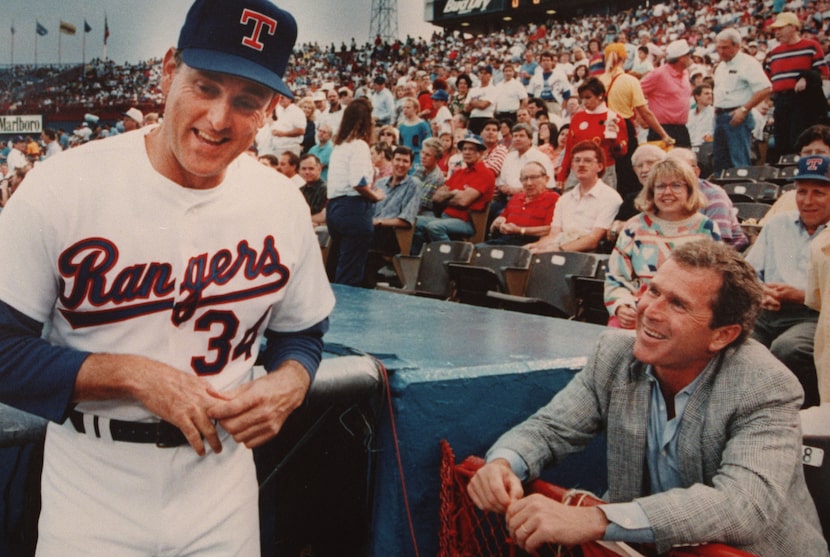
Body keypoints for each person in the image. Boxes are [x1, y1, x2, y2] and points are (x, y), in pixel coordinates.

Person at [0, 1, 335, 555]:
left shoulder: (281, 203)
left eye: (246, 100)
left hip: (222, 483)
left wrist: (292, 381)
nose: (219, 118)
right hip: (94, 481)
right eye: (205, 87)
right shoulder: (63, 186)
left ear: (270, 109)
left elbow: (303, 332)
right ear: (167, 70)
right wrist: (129, 375)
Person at [467, 239, 827, 556]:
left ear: (722, 335)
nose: (649, 311)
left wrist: (595, 518)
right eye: (653, 291)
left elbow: (742, 505)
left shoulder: (765, 385)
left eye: (678, 304)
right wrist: (502, 464)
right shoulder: (615, 355)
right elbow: (550, 429)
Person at [745, 153, 830, 408]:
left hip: (814, 315)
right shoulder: (776, 225)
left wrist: (800, 295)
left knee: (788, 348)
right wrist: (760, 291)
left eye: (819, 193)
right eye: (802, 192)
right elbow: (748, 272)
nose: (808, 201)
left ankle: (799, 411)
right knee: (734, 341)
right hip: (767, 311)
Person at [605, 158, 721, 329]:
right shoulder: (634, 227)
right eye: (660, 186)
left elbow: (715, 280)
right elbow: (616, 276)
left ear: (689, 190)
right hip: (641, 310)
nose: (667, 192)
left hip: (686, 314)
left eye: (676, 185)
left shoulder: (706, 228)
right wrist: (622, 305)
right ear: (651, 191)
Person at [599, 42, 674, 200]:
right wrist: (663, 135)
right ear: (624, 59)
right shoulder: (629, 80)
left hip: (601, 128)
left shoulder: (599, 80)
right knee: (627, 173)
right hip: (623, 128)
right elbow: (645, 113)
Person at [325, 97, 383, 286]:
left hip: (335, 208)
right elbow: (358, 182)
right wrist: (376, 196)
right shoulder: (359, 145)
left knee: (338, 266)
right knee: (350, 272)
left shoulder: (339, 147)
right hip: (353, 209)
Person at [527, 140, 622, 253]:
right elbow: (554, 235)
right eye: (577, 160)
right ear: (572, 166)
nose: (581, 164)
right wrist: (534, 246)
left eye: (587, 161)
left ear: (600, 166)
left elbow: (593, 240)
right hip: (558, 254)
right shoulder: (564, 199)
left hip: (589, 257)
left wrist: (557, 249)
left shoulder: (610, 198)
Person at [412, 134, 495, 253]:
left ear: (480, 153)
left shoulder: (485, 174)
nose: (467, 152)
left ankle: (451, 258)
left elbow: (463, 201)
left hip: (468, 222)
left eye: (471, 149)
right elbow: (436, 197)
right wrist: (455, 193)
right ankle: (419, 259)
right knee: (414, 221)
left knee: (434, 227)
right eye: (464, 149)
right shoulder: (459, 173)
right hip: (446, 217)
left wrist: (448, 196)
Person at [765, 11, 830, 158]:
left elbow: (823, 73)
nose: (777, 32)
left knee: (800, 141)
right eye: (776, 29)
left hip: (803, 103)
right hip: (781, 102)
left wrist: (806, 77)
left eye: (781, 28)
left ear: (793, 27)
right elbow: (768, 80)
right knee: (781, 143)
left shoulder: (811, 46)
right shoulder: (774, 53)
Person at [712, 28, 772, 173]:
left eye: (725, 47)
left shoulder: (748, 63)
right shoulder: (721, 66)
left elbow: (765, 88)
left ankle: (741, 191)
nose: (721, 51)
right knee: (720, 162)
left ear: (736, 46)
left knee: (739, 161)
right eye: (718, 47)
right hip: (720, 117)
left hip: (737, 116)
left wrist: (744, 110)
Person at [666, 148, 748, 251]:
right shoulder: (665, 196)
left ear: (696, 172)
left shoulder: (713, 195)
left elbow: (715, 246)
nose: (674, 175)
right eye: (669, 170)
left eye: (680, 170)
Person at [557, 77, 628, 191]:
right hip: (577, 170)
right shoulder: (577, 118)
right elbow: (570, 148)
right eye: (582, 98)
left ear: (600, 95)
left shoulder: (615, 118)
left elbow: (622, 152)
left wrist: (615, 139)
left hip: (603, 172)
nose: (584, 102)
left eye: (588, 97)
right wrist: (562, 174)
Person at [365, 146, 422, 285]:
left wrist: (378, 222)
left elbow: (406, 221)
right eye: (398, 160)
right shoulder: (380, 183)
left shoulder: (413, 184)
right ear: (392, 161)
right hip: (372, 229)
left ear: (410, 165)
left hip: (392, 233)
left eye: (405, 161)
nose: (400, 164)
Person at [487, 161, 559, 246]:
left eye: (534, 177)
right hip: (505, 240)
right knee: (477, 250)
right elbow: (503, 217)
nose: (529, 183)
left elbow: (549, 229)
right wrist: (499, 222)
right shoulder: (516, 198)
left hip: (530, 243)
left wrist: (520, 230)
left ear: (546, 179)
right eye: (525, 178)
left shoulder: (553, 198)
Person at [639, 39, 693, 148]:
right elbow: (635, 92)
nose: (690, 57)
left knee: (685, 162)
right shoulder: (659, 74)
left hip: (681, 129)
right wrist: (641, 117)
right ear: (681, 58)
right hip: (661, 130)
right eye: (688, 55)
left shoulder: (685, 73)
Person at [413, 137, 446, 215]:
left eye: (427, 155)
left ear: (437, 158)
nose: (423, 156)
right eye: (422, 152)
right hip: (413, 206)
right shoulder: (420, 170)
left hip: (426, 213)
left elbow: (422, 204)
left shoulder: (436, 177)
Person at [398, 96, 432, 166]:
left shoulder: (422, 125)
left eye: (408, 107)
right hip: (404, 158)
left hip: (417, 158)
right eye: (404, 107)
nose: (405, 110)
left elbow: (428, 142)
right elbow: (400, 144)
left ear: (416, 109)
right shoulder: (401, 126)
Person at [466, 65, 498, 135]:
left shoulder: (493, 89)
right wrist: (478, 102)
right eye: (481, 73)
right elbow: (466, 108)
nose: (483, 75)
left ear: (490, 75)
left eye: (485, 73)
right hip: (473, 118)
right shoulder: (473, 90)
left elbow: (483, 105)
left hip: (486, 118)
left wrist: (472, 102)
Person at [298, 153, 327, 227]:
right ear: (299, 171)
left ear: (319, 169)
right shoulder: (300, 191)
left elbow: (324, 216)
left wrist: (303, 221)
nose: (307, 172)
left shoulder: (327, 190)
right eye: (303, 169)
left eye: (311, 168)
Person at [687, 84, 715, 148]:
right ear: (697, 96)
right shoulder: (689, 114)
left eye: (711, 94)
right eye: (706, 94)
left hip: (707, 148)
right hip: (690, 148)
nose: (710, 96)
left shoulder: (714, 113)